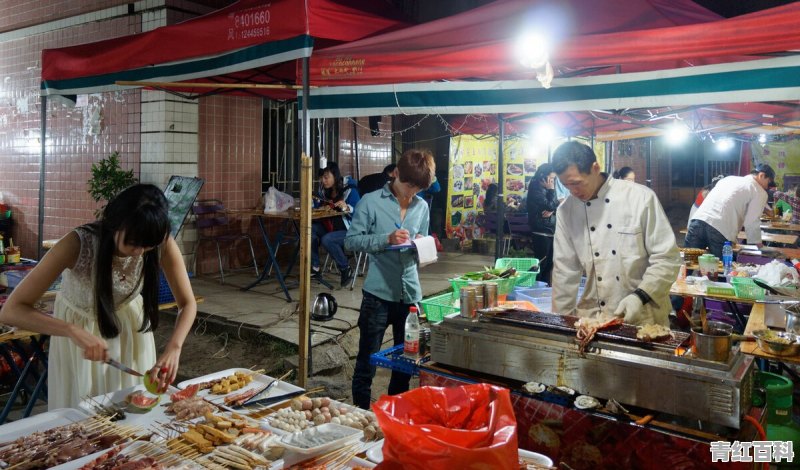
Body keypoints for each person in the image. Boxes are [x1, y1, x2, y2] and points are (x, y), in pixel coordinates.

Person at [0, 184, 197, 409]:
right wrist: (70, 330)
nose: (139, 252)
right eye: (132, 244)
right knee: (83, 419)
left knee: (132, 415)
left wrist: (174, 347)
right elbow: (12, 310)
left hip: (131, 333)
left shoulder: (159, 239)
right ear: (115, 224)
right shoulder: (77, 243)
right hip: (79, 335)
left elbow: (187, 303)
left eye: (148, 246)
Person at [551, 142, 680, 327]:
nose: (573, 191)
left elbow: (667, 258)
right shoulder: (567, 210)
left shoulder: (640, 198)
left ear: (595, 168)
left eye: (577, 183)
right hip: (593, 318)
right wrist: (560, 323)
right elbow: (565, 271)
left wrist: (640, 296)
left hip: (643, 315)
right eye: (566, 185)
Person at [345, 149, 435, 409]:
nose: (412, 193)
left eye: (418, 189)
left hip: (410, 296)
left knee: (406, 362)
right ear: (395, 173)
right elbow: (351, 241)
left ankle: (397, 416)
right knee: (367, 361)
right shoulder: (371, 202)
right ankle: (360, 417)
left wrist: (421, 245)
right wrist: (386, 239)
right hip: (378, 295)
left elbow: (424, 239)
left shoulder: (422, 205)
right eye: (409, 186)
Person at [685, 163, 774, 258]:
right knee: (722, 269)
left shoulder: (729, 179)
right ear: (761, 175)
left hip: (697, 222)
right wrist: (760, 246)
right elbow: (751, 222)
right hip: (720, 230)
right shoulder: (759, 191)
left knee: (688, 264)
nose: (767, 187)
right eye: (768, 182)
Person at [312, 163, 361, 287]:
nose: (323, 181)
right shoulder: (324, 191)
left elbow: (360, 214)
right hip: (331, 228)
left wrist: (347, 208)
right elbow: (318, 207)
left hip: (350, 230)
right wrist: (315, 203)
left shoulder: (351, 190)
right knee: (310, 229)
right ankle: (315, 267)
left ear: (335, 176)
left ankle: (345, 268)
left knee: (327, 239)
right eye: (322, 178)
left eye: (326, 177)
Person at [526, 163, 558, 285]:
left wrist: (552, 209)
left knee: (549, 262)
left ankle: (543, 287)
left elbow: (554, 205)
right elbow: (551, 204)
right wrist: (551, 190)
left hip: (549, 230)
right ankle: (537, 285)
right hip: (541, 230)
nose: (552, 182)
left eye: (553, 179)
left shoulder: (544, 189)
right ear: (542, 177)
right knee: (542, 262)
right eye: (550, 179)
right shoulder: (536, 189)